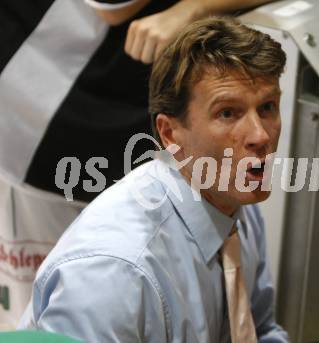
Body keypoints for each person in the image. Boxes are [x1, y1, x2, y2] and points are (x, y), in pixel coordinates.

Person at [0, 0, 275, 327]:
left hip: (122, 115)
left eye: (270, 108)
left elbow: (261, 327)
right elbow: (113, 7)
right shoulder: (110, 264)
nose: (260, 135)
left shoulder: (240, 206)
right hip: (52, 118)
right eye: (231, 114)